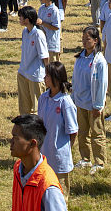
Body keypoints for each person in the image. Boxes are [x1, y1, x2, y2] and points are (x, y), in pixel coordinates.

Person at [9, 113, 68, 211]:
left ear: (32, 144)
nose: (11, 142)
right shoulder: (18, 169)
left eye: (16, 138)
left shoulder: (49, 188)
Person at [38, 61, 78, 195]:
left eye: (47, 75)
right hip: (44, 155)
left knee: (60, 195)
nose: (45, 78)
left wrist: (65, 150)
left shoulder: (65, 102)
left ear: (56, 78)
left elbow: (72, 132)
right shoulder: (43, 98)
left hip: (59, 158)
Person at [72, 24, 107, 173]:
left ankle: (99, 162)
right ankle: (85, 158)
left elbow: (102, 84)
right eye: (83, 39)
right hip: (81, 102)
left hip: (93, 104)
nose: (85, 42)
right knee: (82, 132)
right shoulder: (80, 58)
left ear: (96, 41)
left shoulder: (99, 61)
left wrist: (98, 105)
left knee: (97, 133)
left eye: (88, 39)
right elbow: (75, 79)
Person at [17, 6, 49, 116]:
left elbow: (45, 56)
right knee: (24, 108)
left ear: (27, 19)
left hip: (35, 75)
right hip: (23, 72)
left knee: (37, 109)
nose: (19, 19)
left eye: (21, 17)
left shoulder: (39, 34)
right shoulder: (25, 32)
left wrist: (48, 74)